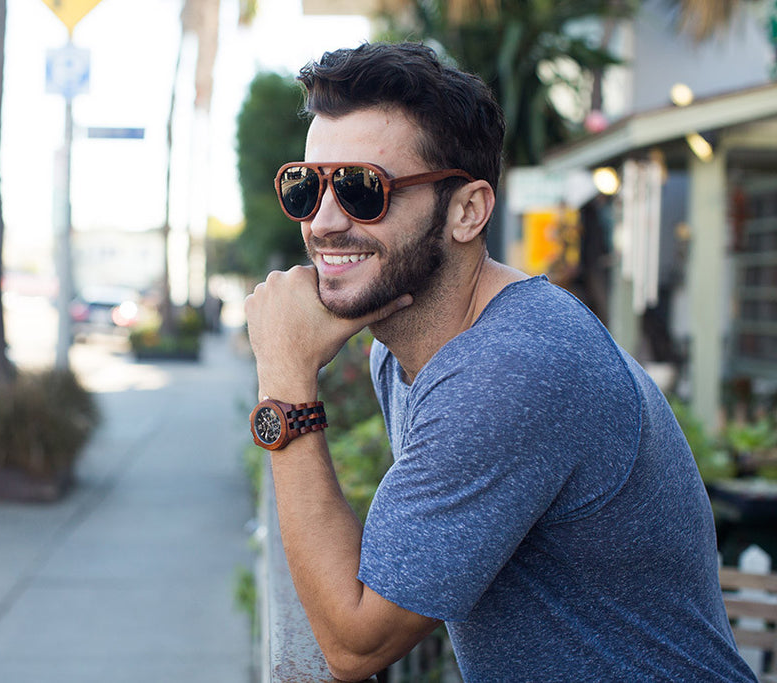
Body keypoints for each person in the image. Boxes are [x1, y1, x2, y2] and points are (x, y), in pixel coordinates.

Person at [244, 42, 754, 682]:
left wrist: (285, 380)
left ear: (467, 211)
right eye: (306, 186)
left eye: (360, 189)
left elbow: (355, 644)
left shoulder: (510, 368)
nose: (322, 221)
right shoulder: (399, 351)